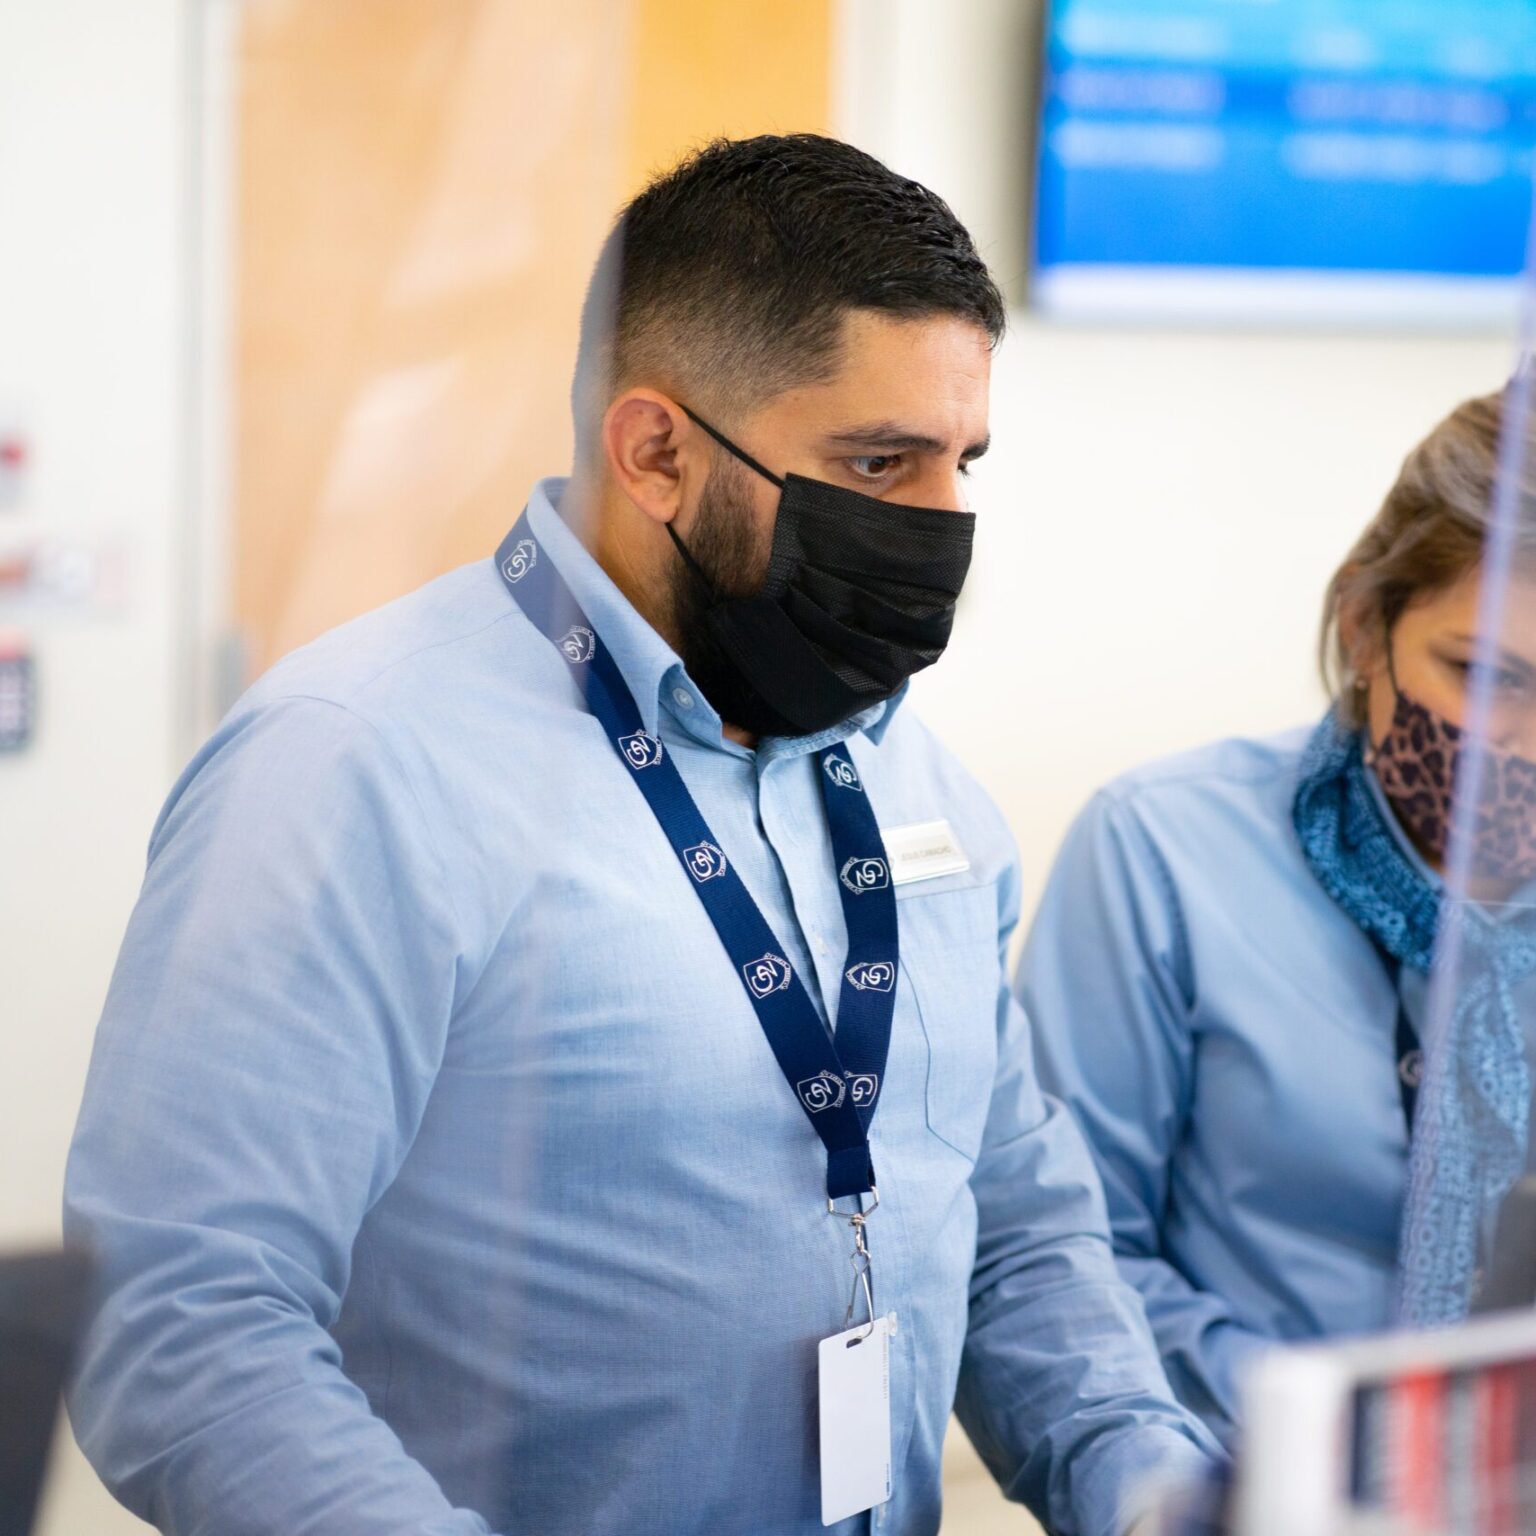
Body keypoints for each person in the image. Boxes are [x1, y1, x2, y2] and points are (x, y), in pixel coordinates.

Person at [64, 135, 1217, 1536]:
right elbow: (181, 1324)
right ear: (657, 450)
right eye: (881, 460)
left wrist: (1155, 1493)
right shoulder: (355, 766)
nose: (944, 523)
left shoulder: (911, 775)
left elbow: (1016, 1230)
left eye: (965, 461)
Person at [1017, 386, 1536, 1445]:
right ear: (1362, 626)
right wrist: (1351, 1438)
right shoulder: (1163, 850)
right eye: (1486, 677)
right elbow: (1059, 1264)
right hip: (1251, 1479)